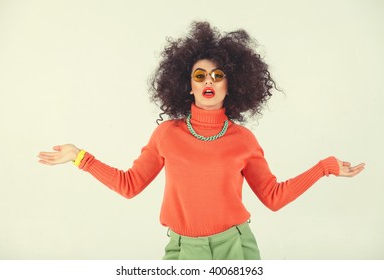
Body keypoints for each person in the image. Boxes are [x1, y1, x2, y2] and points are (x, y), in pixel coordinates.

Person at [38, 21, 365, 260]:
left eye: (218, 75)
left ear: (230, 85)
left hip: (236, 248)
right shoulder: (167, 134)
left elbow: (273, 197)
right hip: (183, 251)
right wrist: (81, 158)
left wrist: (324, 168)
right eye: (200, 75)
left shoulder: (243, 139)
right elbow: (130, 185)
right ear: (187, 85)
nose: (209, 81)